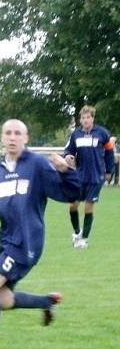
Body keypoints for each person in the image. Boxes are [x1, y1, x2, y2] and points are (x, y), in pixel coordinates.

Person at [0, 118, 80, 349]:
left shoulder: (37, 165)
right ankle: (46, 302)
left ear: (26, 138)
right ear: (2, 138)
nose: (12, 137)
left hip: (26, 242)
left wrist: (66, 171)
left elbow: (71, 193)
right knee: (1, 299)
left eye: (17, 133)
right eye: (8, 133)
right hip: (6, 242)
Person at [63, 105, 115, 248]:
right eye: (83, 118)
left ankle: (84, 239)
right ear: (80, 120)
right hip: (79, 176)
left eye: (88, 117)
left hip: (96, 176)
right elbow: (68, 150)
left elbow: (110, 154)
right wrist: (68, 156)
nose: (85, 120)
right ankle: (77, 232)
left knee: (88, 207)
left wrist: (109, 171)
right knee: (73, 205)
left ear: (93, 118)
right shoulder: (76, 135)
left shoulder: (103, 134)